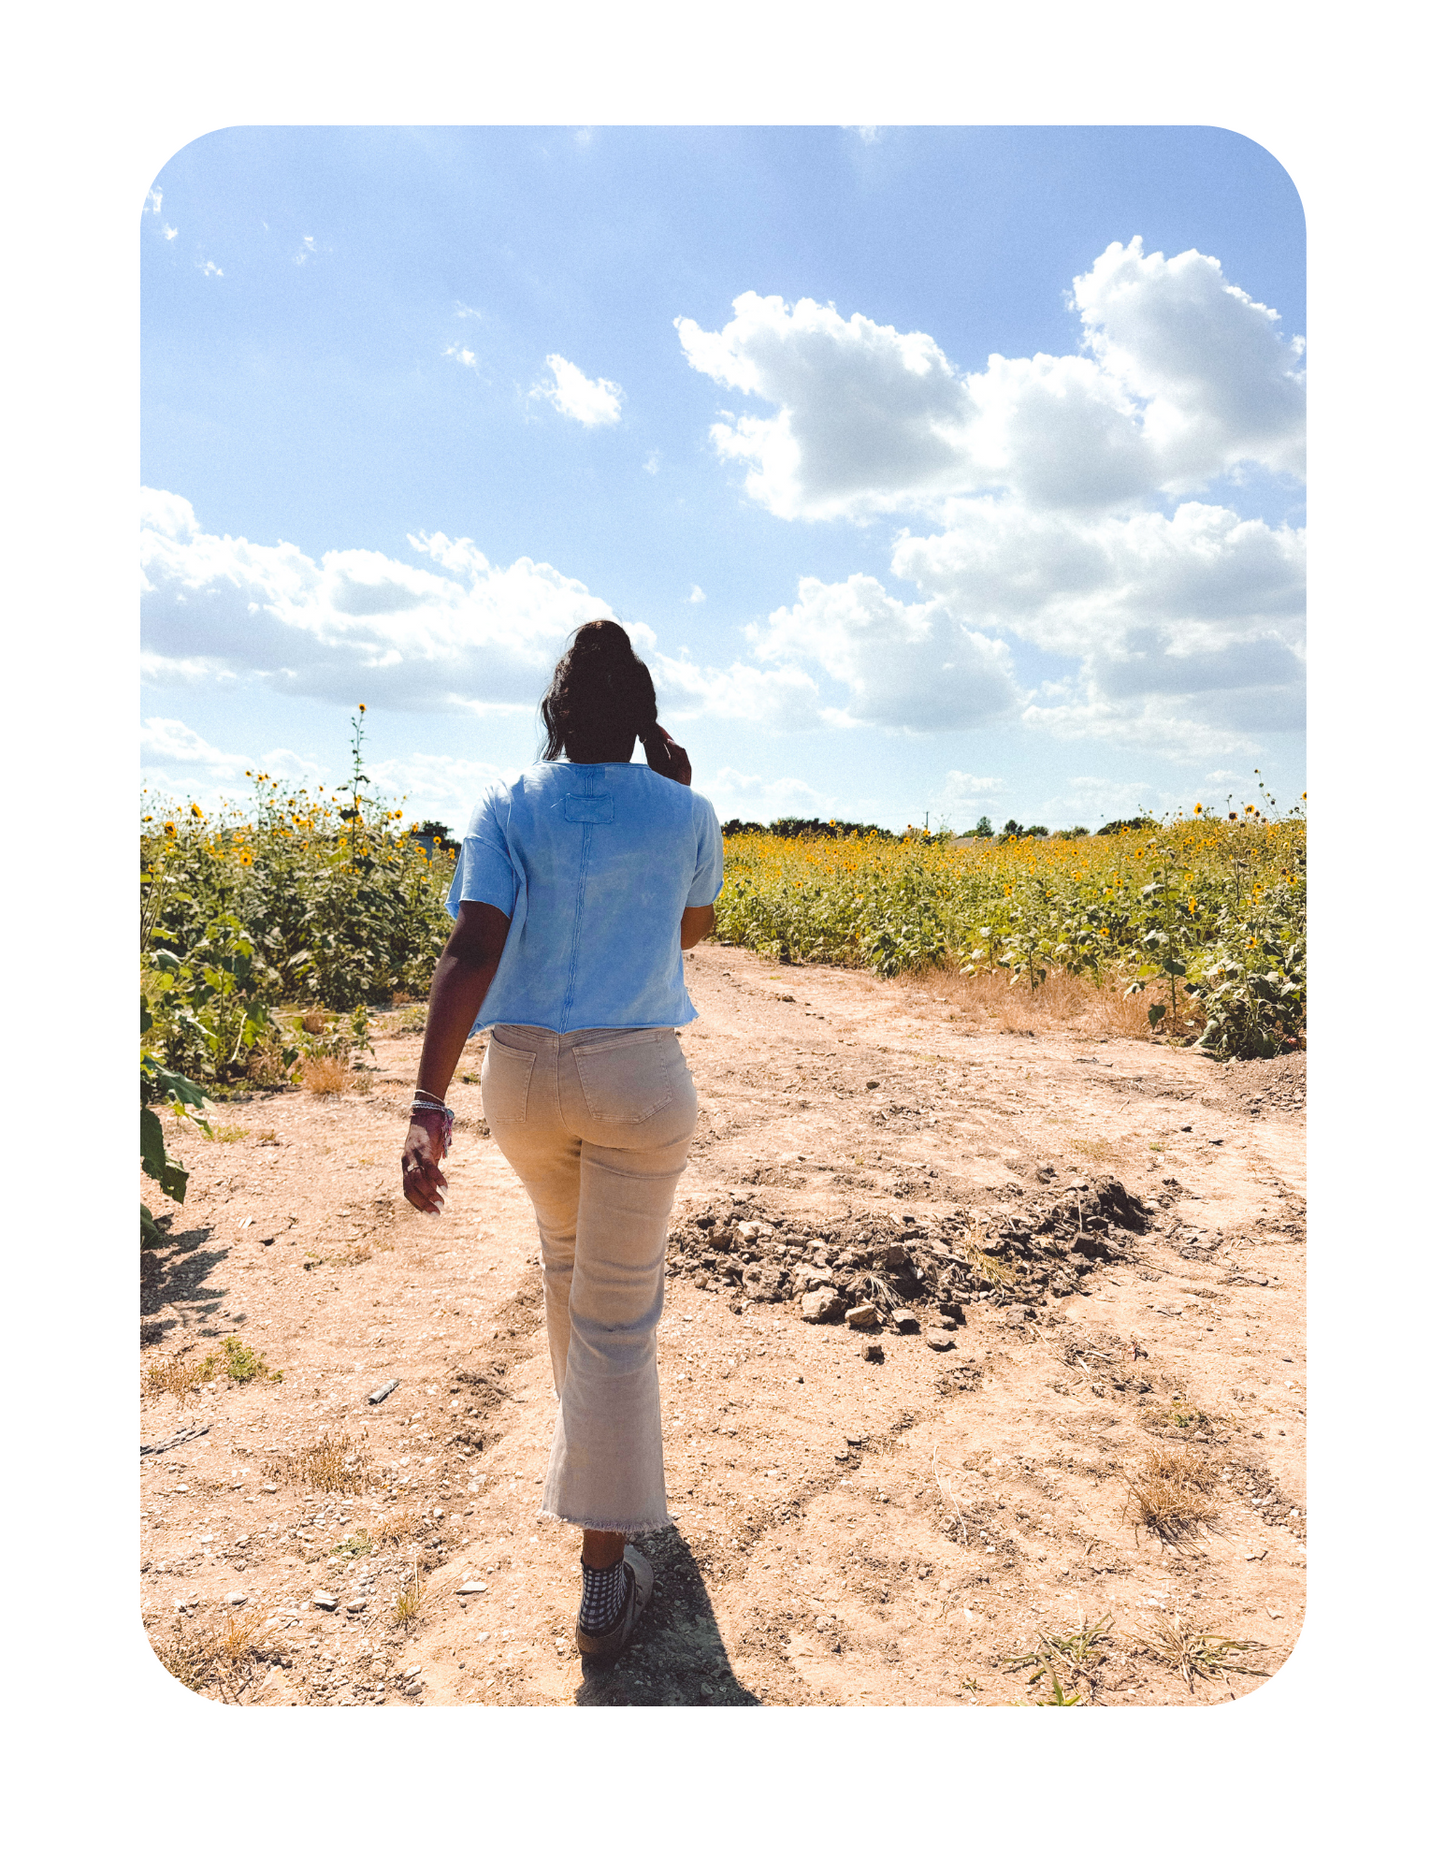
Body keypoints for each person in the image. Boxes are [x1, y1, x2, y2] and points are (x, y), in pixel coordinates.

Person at [400, 619, 723, 1662]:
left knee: (564, 1271)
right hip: (635, 1077)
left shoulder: (506, 805)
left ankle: (597, 1470)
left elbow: (475, 941)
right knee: (617, 1318)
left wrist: (425, 1103)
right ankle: (601, 1564)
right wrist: (675, 785)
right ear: (641, 719)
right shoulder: (685, 809)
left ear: (555, 713)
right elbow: (689, 929)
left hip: (525, 1080)